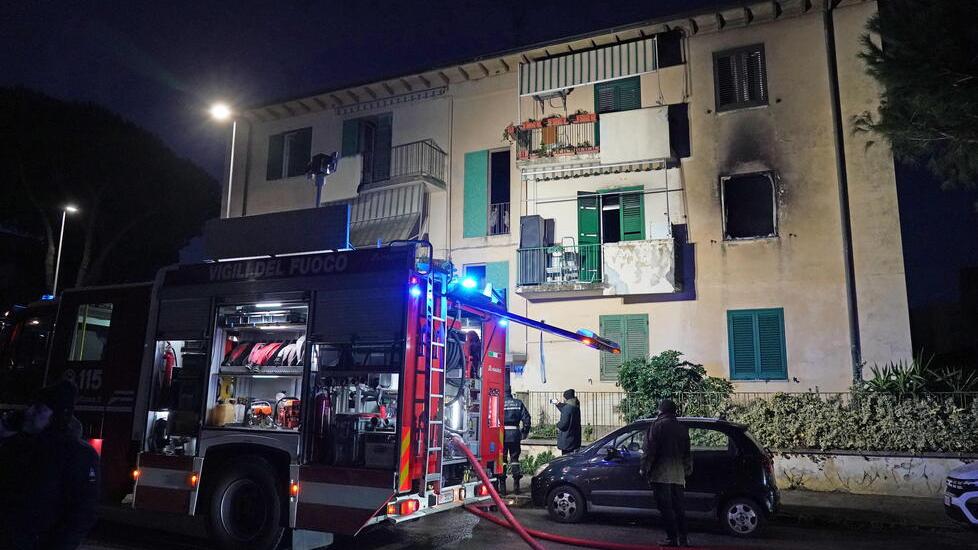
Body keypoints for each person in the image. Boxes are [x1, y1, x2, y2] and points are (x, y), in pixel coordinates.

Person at [0, 379, 99, 550]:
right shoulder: (18, 445)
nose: (29, 412)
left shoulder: (78, 455)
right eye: (31, 405)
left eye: (39, 408)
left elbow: (81, 514)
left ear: (57, 415)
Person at [640, 398, 692, 548]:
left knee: (666, 508)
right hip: (678, 474)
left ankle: (671, 538)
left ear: (661, 410)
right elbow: (687, 452)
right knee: (679, 508)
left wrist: (644, 468)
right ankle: (684, 538)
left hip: (661, 473)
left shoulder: (656, 426)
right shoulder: (682, 428)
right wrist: (687, 469)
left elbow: (649, 451)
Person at [501, 387, 531, 494]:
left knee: (502, 459)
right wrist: (524, 431)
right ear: (511, 392)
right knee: (515, 459)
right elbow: (527, 418)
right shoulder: (518, 403)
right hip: (515, 434)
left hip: (501, 435)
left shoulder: (499, 403)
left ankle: (502, 487)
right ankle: (516, 486)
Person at [554, 389, 581, 455]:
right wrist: (558, 404)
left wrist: (557, 424)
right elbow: (566, 411)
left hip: (567, 440)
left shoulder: (567, 408)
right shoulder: (575, 406)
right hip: (574, 439)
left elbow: (563, 424)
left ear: (566, 398)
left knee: (566, 460)